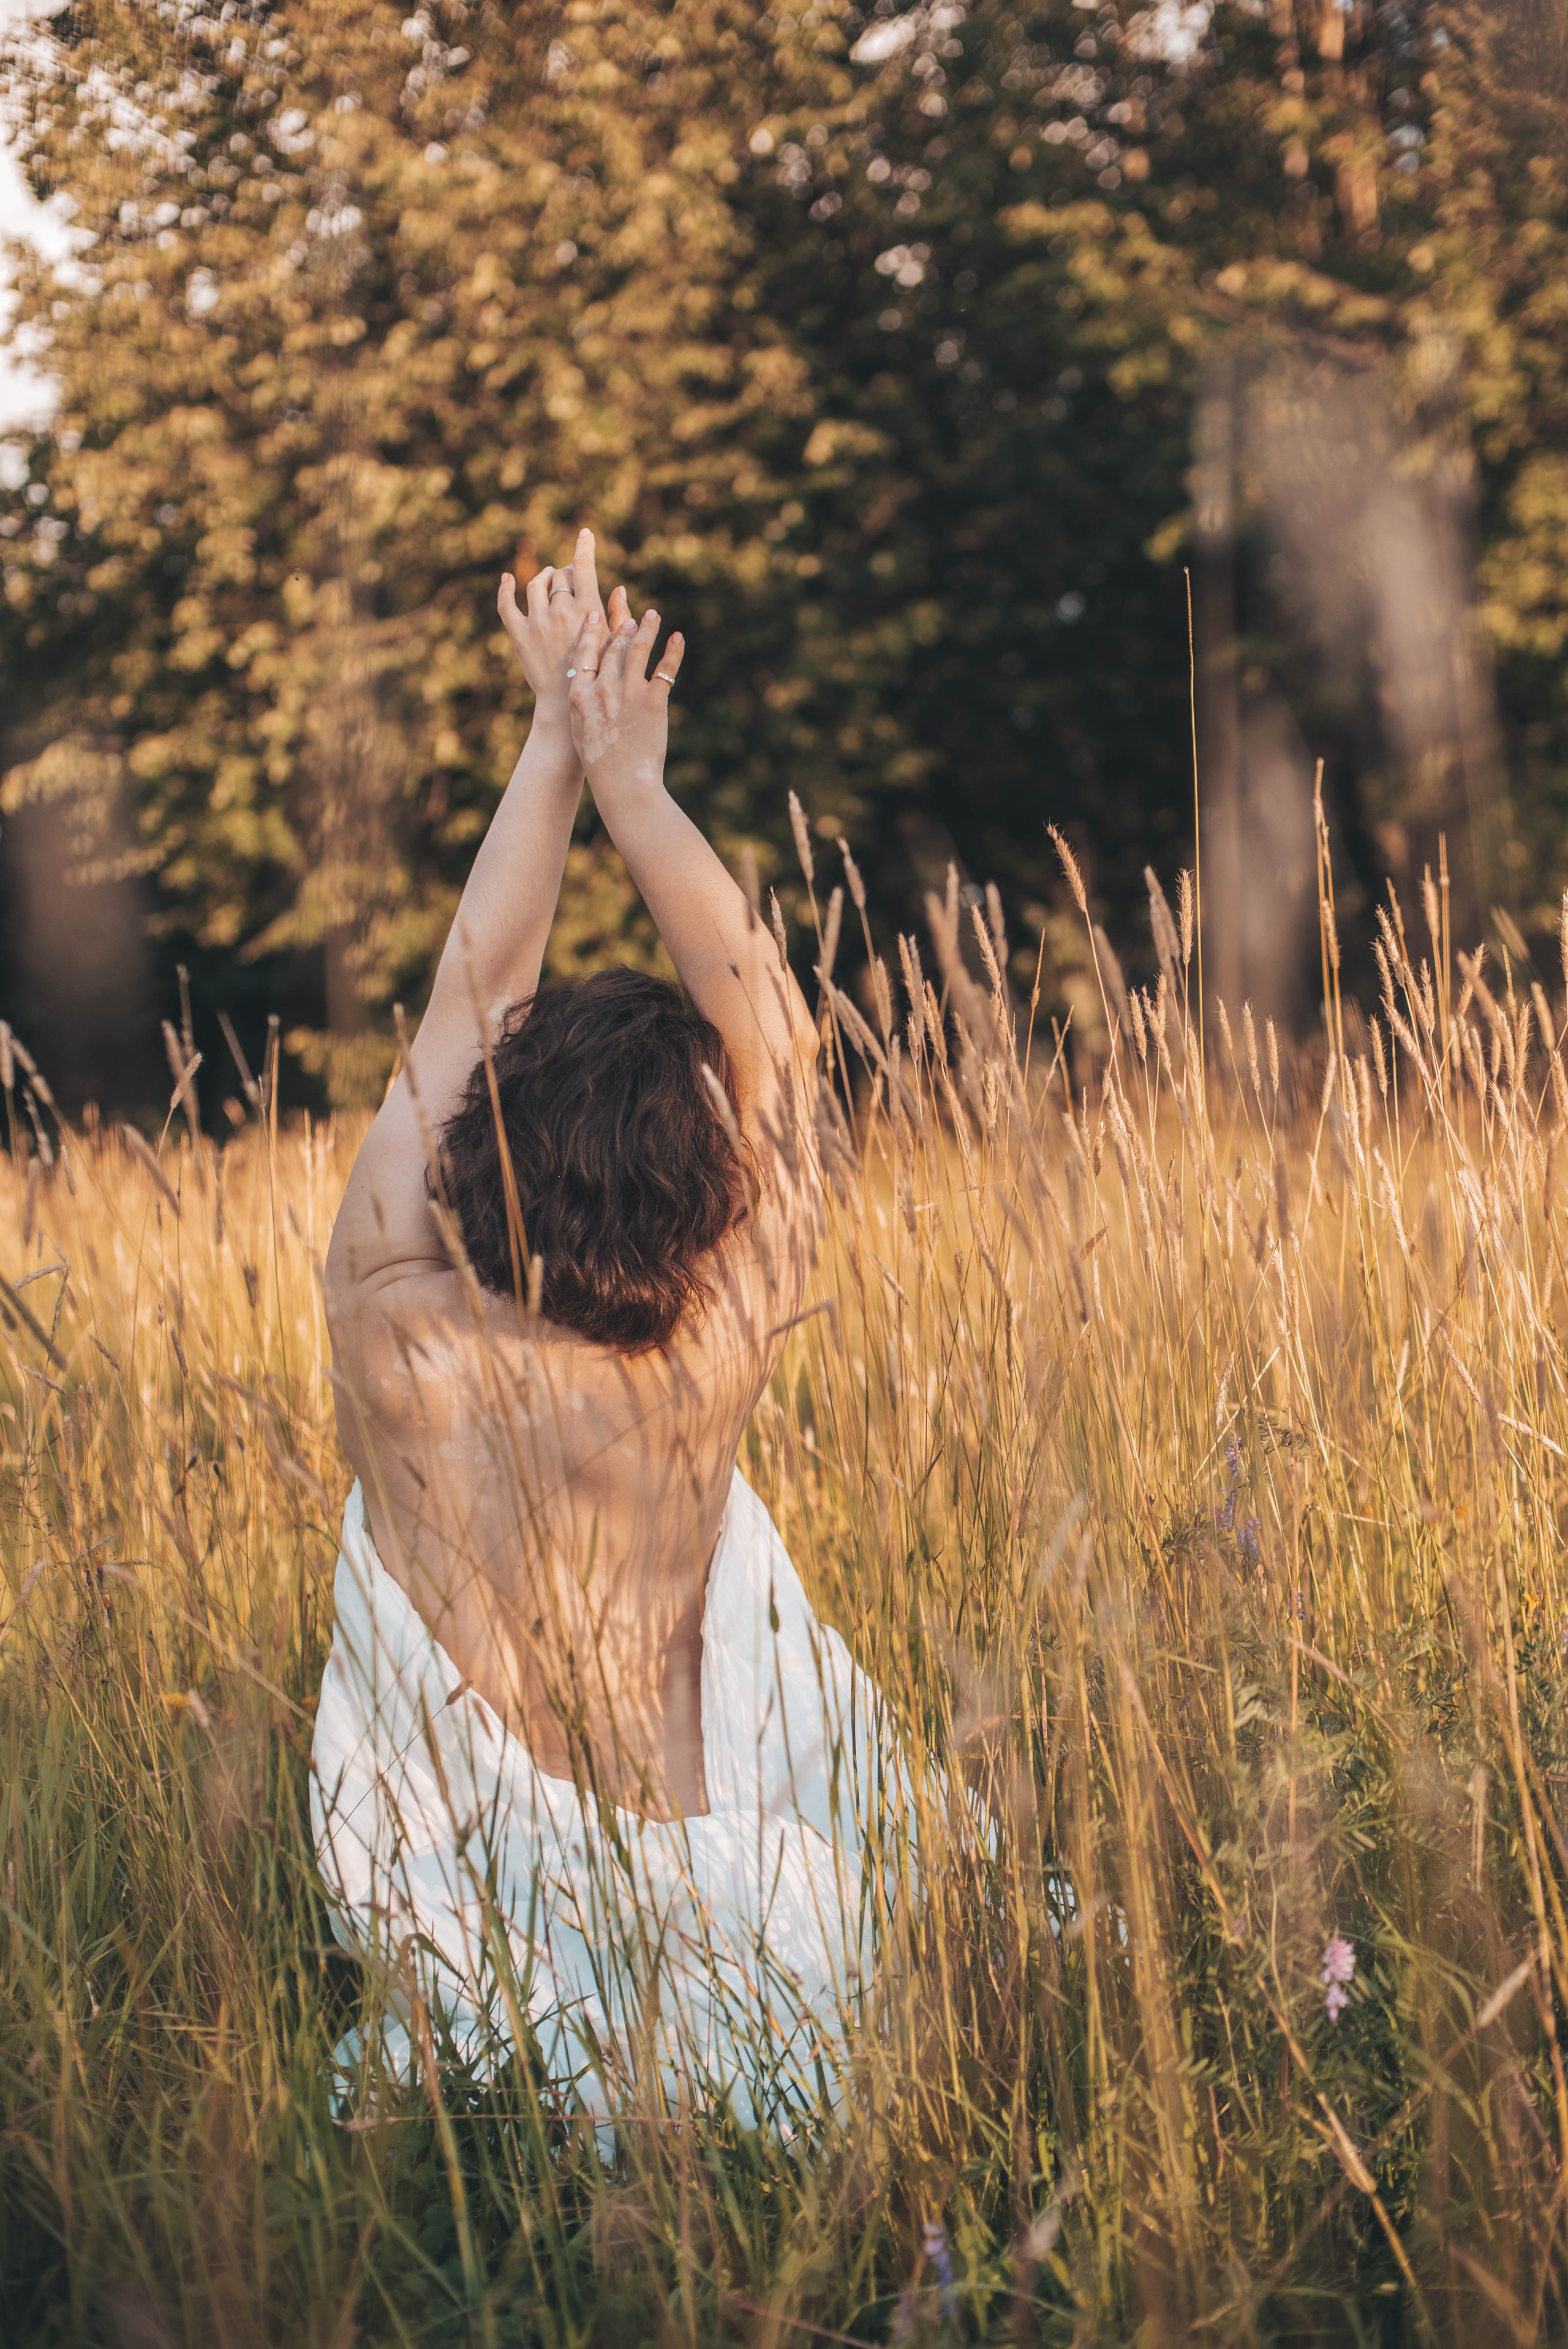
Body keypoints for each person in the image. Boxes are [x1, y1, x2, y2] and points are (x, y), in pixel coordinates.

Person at [311, 530, 896, 2128]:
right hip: (722, 1881)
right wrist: (634, 777)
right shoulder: (718, 1341)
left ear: (487, 1142)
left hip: (497, 1901)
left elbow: (468, 988)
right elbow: (768, 1021)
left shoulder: (398, 1330)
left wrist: (551, 754)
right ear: (708, 1182)